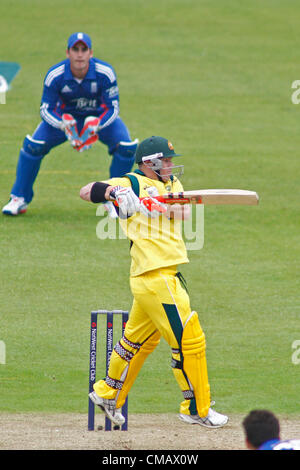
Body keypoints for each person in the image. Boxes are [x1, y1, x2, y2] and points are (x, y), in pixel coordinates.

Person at [80, 135, 228, 428]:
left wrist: (153, 206)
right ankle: (196, 407)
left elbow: (184, 211)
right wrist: (114, 194)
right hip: (154, 275)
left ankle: (108, 393)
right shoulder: (132, 183)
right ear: (150, 163)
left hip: (163, 275)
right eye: (168, 161)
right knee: (190, 339)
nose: (172, 165)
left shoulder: (172, 184)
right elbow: (86, 191)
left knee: (135, 343)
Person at [2, 32, 138, 216]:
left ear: (91, 53)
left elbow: (113, 108)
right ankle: (19, 198)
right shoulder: (55, 75)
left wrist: (97, 125)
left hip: (97, 120)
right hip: (65, 120)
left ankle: (114, 200)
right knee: (33, 147)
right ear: (68, 53)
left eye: (84, 49)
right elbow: (45, 110)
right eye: (75, 49)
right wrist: (62, 124)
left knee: (127, 148)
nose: (79, 54)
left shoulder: (105, 72)